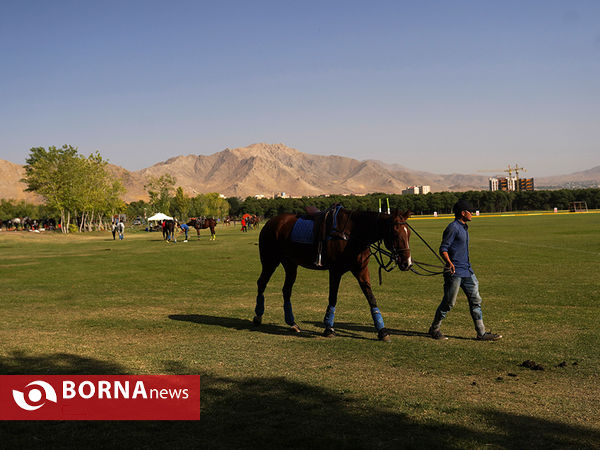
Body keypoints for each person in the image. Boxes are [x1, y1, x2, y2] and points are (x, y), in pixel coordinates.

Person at [428, 200, 502, 341]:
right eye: (470, 211)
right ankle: (434, 329)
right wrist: (449, 263)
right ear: (463, 213)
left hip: (467, 271)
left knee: (476, 300)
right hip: (454, 272)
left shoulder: (464, 227)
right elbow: (443, 249)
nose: (472, 213)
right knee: (449, 303)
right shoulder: (453, 228)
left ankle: (481, 333)